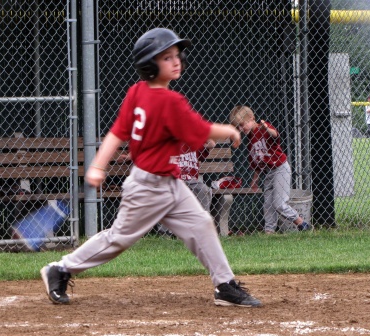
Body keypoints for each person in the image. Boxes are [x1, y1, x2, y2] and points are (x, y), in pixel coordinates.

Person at [40, 28, 261, 308]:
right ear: (149, 65)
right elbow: (200, 130)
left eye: (176, 55)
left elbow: (115, 134)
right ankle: (61, 269)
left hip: (169, 183)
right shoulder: (169, 101)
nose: (176, 60)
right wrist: (229, 130)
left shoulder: (137, 92)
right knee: (118, 238)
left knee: (202, 224)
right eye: (167, 57)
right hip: (148, 187)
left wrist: (98, 165)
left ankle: (225, 285)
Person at [229, 105, 312, 235]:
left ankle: (302, 224)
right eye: (237, 127)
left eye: (242, 125)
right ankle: (269, 231)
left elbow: (275, 135)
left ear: (252, 119)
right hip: (268, 173)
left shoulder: (263, 128)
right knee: (268, 204)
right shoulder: (250, 141)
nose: (240, 129)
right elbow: (257, 164)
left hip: (280, 169)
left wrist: (267, 128)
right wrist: (254, 181)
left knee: (279, 203)